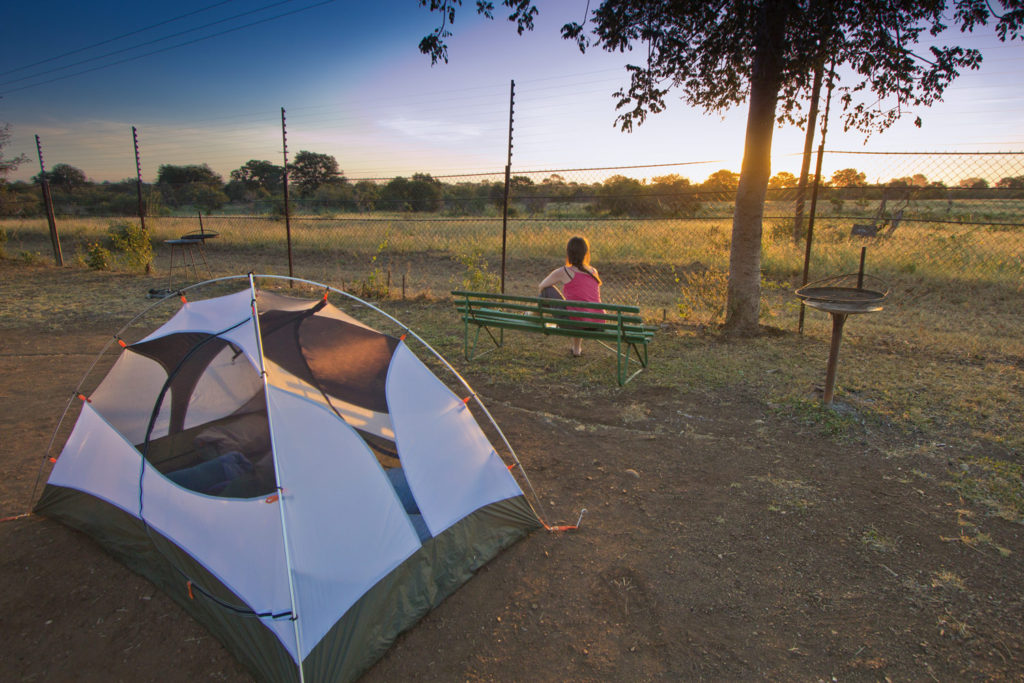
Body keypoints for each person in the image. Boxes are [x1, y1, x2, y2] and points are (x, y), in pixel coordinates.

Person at [538, 235, 603, 357]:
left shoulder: (564, 271)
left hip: (575, 323)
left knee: (547, 291)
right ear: (585, 253)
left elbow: (541, 286)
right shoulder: (594, 271)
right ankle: (576, 349)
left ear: (568, 253)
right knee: (577, 309)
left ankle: (534, 316)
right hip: (597, 323)